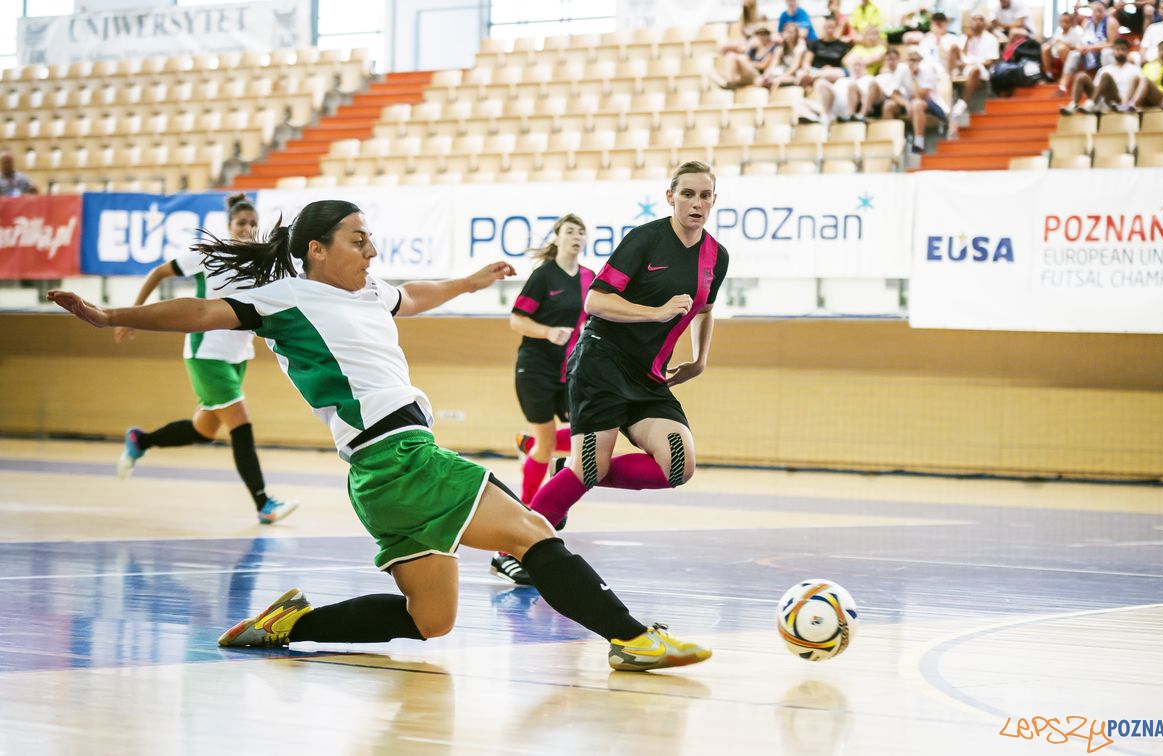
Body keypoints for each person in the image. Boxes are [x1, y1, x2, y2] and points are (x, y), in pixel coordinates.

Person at [47, 199, 712, 672]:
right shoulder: (287, 299)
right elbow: (199, 308)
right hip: (399, 458)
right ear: (317, 250)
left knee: (432, 620)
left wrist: (471, 281)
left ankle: (290, 626)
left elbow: (415, 295)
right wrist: (110, 315)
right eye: (358, 238)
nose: (371, 249)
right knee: (532, 533)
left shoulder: (368, 293)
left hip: (382, 478)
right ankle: (633, 639)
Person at [521, 162, 729, 539]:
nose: (696, 203)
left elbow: (706, 309)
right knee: (589, 468)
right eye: (687, 194)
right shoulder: (644, 240)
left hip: (647, 378)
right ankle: (510, 550)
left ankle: (570, 474)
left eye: (704, 196)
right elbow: (595, 302)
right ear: (670, 197)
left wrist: (699, 361)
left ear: (714, 200)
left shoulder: (717, 256)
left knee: (678, 467)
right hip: (601, 364)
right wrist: (656, 313)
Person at [113, 193, 295, 524]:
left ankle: (141, 440)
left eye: (253, 223)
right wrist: (133, 314)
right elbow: (158, 273)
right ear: (229, 226)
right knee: (241, 423)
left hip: (238, 355)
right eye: (242, 222)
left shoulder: (259, 262)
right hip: (206, 353)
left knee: (204, 430)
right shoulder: (209, 255)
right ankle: (263, 503)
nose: (248, 228)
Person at [509, 214, 593, 512]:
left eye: (581, 232)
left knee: (585, 440)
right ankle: (530, 508)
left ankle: (528, 445)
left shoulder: (588, 278)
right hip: (535, 368)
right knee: (547, 445)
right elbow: (517, 320)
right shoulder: (543, 276)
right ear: (557, 238)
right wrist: (547, 332)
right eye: (570, 231)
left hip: (569, 370)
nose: (576, 236)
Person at [1060, 36, 1142, 112]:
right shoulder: (1104, 69)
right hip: (1101, 100)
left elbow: (1139, 89)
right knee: (1081, 76)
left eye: (1123, 49)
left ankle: (1091, 104)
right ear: (1113, 51)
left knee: (1106, 76)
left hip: (1120, 101)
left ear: (1128, 51)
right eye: (1117, 49)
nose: (1120, 52)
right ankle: (1074, 105)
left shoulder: (1135, 69)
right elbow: (1096, 88)